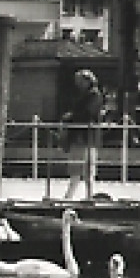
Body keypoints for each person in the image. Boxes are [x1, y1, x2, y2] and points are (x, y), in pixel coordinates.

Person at [61, 68, 104, 201]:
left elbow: (87, 114)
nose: (77, 84)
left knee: (85, 169)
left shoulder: (94, 96)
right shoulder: (84, 95)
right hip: (82, 137)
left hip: (86, 137)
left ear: (87, 81)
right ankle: (74, 196)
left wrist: (70, 117)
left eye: (79, 81)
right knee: (78, 168)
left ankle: (84, 196)